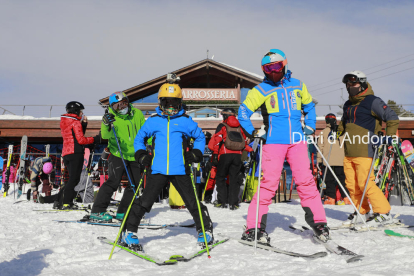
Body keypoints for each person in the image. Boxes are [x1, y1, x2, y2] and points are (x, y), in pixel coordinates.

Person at [238, 49, 330, 244]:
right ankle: (253, 227)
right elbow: (244, 112)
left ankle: (319, 223)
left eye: (276, 67)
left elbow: (309, 106)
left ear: (284, 65)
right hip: (273, 142)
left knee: (306, 181)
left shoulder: (298, 85)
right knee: (268, 184)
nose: (272, 72)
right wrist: (253, 132)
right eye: (267, 69)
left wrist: (311, 125)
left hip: (297, 141)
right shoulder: (261, 89)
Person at [121, 81, 213, 250]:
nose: (171, 107)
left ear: (180, 103)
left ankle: (205, 230)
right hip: (157, 169)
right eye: (167, 103)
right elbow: (139, 139)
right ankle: (130, 231)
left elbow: (200, 137)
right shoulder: (153, 121)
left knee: (192, 202)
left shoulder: (185, 121)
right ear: (160, 103)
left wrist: (196, 154)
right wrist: (141, 155)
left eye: (175, 103)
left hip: (180, 169)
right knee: (145, 202)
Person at [338, 71, 400, 227]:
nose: (350, 86)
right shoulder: (347, 104)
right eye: (348, 84)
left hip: (365, 149)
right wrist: (337, 133)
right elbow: (343, 123)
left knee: (366, 183)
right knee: (351, 184)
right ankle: (362, 211)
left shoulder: (372, 101)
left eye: (354, 83)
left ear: (363, 84)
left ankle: (383, 212)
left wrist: (390, 136)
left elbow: (392, 117)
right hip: (349, 149)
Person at [89, 92, 146, 222]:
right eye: (117, 106)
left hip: (135, 154)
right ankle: (97, 211)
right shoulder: (110, 116)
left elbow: (144, 131)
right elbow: (105, 136)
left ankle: (123, 211)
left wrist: (148, 145)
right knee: (113, 182)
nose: (121, 108)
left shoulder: (137, 113)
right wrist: (106, 124)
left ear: (127, 102)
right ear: (112, 107)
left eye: (123, 104)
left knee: (135, 185)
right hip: (118, 153)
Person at [208, 108, 252, 210]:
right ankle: (234, 203)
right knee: (234, 179)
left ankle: (221, 201)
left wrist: (215, 154)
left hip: (225, 154)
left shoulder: (222, 126)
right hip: (238, 156)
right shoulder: (239, 127)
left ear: (225, 116)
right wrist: (250, 150)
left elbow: (217, 140)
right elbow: (244, 142)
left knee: (220, 178)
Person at [60, 101, 99, 210]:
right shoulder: (75, 122)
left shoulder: (65, 121)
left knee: (73, 179)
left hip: (66, 153)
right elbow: (81, 140)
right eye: (81, 111)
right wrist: (94, 139)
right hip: (75, 153)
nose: (82, 113)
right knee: (74, 179)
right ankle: (66, 202)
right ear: (76, 111)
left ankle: (66, 201)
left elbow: (75, 136)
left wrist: (84, 124)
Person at [317, 113, 350, 205]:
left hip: (328, 160)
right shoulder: (343, 131)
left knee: (329, 180)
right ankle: (346, 198)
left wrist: (319, 160)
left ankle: (331, 199)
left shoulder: (323, 132)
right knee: (342, 179)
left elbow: (320, 147)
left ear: (326, 121)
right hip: (341, 160)